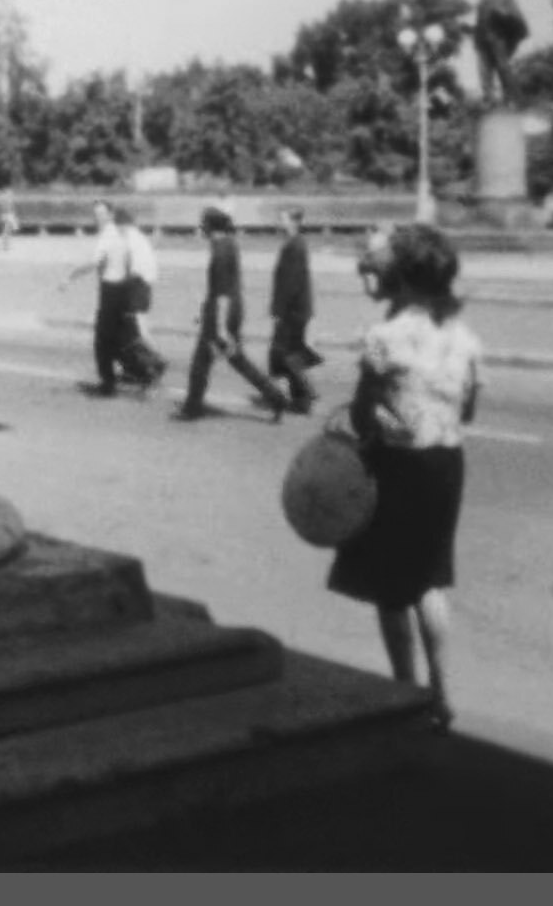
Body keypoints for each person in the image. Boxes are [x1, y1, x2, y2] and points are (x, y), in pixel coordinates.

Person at [328, 222, 484, 732]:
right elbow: (469, 410)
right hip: (447, 465)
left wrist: (379, 421)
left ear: (403, 276)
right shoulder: (463, 337)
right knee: (430, 580)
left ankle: (405, 692)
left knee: (391, 588)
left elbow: (361, 414)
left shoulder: (384, 337)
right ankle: (440, 692)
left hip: (398, 466)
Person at [175, 204, 289, 422]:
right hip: (232, 309)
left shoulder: (219, 251)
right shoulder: (230, 244)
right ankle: (276, 397)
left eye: (203, 224)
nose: (201, 228)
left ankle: (192, 408)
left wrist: (220, 327)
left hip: (222, 313)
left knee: (201, 362)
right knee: (236, 359)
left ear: (210, 227)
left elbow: (222, 294)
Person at [60, 200, 132, 396]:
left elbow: (94, 263)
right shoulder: (119, 233)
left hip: (111, 290)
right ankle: (134, 372)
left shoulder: (107, 236)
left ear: (110, 215)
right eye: (95, 214)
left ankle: (108, 383)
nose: (97, 218)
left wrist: (71, 275)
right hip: (122, 288)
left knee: (103, 339)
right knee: (119, 336)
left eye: (101, 214)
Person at [267, 207, 319, 414]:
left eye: (283, 219)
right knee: (289, 352)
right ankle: (302, 394)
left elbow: (290, 283)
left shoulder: (295, 246)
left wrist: (279, 310)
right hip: (296, 308)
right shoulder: (294, 243)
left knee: (288, 353)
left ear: (294, 222)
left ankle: (304, 395)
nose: (280, 222)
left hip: (293, 310)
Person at [112, 206, 167, 389]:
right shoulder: (139, 238)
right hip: (143, 287)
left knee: (137, 331)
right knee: (128, 331)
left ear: (122, 224)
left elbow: (132, 271)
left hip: (137, 288)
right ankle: (132, 368)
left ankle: (156, 361)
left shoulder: (131, 240)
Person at [470, 0, 528, 107]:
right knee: (484, 71)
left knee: (503, 68)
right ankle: (489, 99)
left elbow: (514, 14)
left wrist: (502, 13)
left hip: (498, 38)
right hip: (483, 40)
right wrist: (470, 29)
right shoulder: (482, 0)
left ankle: (512, 98)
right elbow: (480, 22)